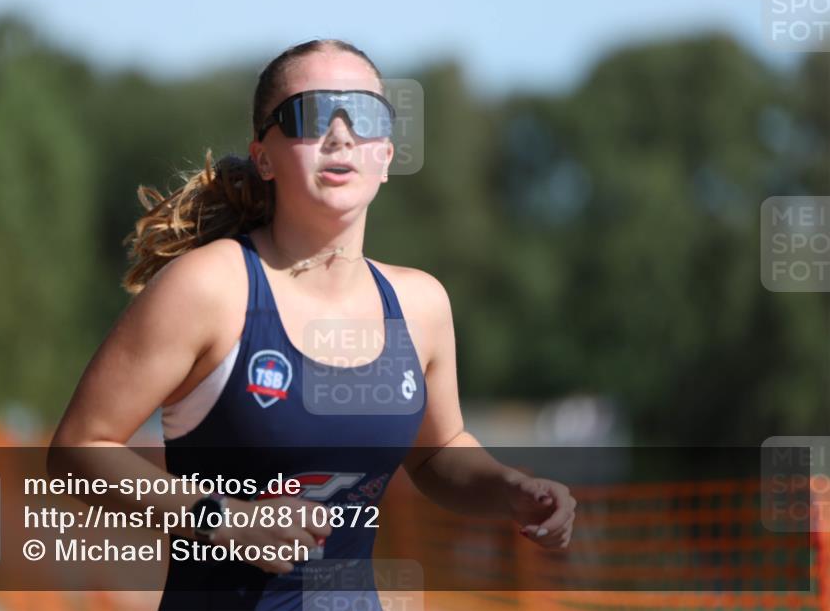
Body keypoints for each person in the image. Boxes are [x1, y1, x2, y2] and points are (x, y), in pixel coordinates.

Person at [50, 38, 576, 610]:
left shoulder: (421, 303)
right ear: (264, 156)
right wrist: (220, 520)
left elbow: (438, 452)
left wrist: (511, 488)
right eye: (312, 113)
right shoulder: (209, 288)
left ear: (386, 156)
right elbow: (77, 451)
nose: (342, 134)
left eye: (366, 116)